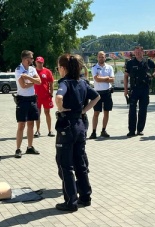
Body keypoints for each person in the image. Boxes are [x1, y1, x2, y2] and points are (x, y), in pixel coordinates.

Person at [54, 53, 100, 211]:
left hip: (67, 126)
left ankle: (70, 202)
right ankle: (85, 196)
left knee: (65, 165)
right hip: (80, 126)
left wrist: (60, 108)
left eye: (58, 68)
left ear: (63, 68)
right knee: (80, 163)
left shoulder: (65, 82)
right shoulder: (82, 82)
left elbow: (59, 97)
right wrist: (83, 111)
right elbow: (97, 97)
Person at [124, 46, 155, 137]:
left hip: (144, 89)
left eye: (139, 52)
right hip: (134, 89)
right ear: (134, 53)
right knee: (132, 110)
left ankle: (140, 130)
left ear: (142, 52)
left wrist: (152, 76)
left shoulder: (148, 61)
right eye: (136, 52)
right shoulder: (130, 63)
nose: (137, 53)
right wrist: (125, 90)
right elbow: (125, 77)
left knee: (143, 110)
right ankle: (131, 130)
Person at [14, 50, 42, 158]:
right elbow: (23, 85)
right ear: (26, 59)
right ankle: (18, 149)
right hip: (22, 99)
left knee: (31, 124)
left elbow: (39, 81)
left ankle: (30, 147)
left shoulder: (32, 69)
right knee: (21, 125)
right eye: (31, 58)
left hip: (32, 99)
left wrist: (29, 78)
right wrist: (33, 81)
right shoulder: (18, 69)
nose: (32, 60)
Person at [89, 51, 114, 139]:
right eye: (99, 57)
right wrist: (107, 78)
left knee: (106, 112)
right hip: (97, 93)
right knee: (96, 112)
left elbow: (112, 80)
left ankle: (103, 130)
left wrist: (104, 78)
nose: (101, 58)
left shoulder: (109, 67)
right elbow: (97, 79)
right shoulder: (94, 67)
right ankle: (93, 132)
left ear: (105, 58)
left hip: (107, 92)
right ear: (97, 58)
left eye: (102, 57)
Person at [33, 56, 55, 138]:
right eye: (38, 62)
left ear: (43, 63)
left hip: (46, 96)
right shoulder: (33, 71)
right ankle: (37, 131)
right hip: (36, 96)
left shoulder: (47, 71)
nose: (39, 64)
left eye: (41, 62)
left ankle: (50, 130)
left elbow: (51, 83)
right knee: (37, 113)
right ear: (36, 62)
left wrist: (51, 93)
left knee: (47, 113)